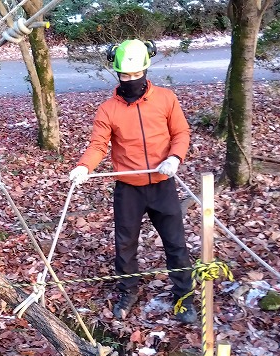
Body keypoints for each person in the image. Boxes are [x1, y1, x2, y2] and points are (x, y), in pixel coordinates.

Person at [68, 39, 195, 323]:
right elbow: (99, 145)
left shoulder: (166, 99)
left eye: (136, 74)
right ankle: (128, 290)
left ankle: (184, 297)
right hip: (128, 189)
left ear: (146, 70)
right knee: (125, 245)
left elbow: (181, 133)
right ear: (117, 74)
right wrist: (84, 167)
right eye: (125, 75)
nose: (131, 80)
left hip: (163, 184)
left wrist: (175, 157)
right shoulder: (108, 109)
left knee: (175, 243)